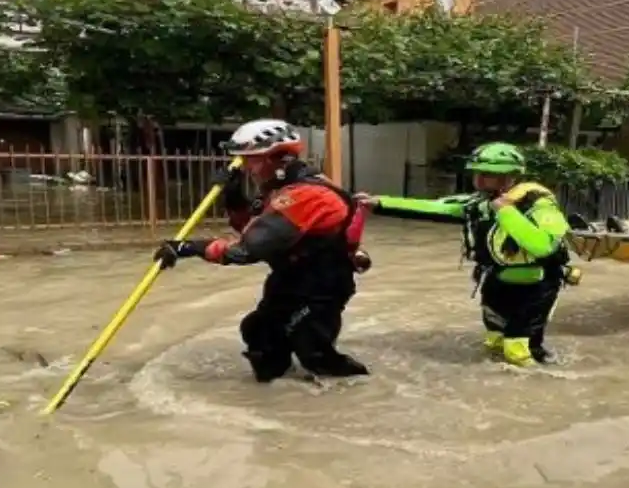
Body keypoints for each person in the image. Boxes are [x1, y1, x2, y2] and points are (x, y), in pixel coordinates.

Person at [153, 119, 370, 383]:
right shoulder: (279, 190)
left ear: (279, 158)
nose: (245, 167)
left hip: (322, 285)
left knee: (313, 351)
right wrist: (233, 195)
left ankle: (362, 391)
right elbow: (250, 227)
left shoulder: (307, 195)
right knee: (259, 332)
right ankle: (278, 395)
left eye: (251, 160)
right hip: (290, 278)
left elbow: (248, 249)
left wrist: (189, 247)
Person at [355, 142, 576, 367]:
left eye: (487, 175)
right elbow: (433, 207)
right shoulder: (478, 204)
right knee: (494, 342)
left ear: (509, 177)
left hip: (536, 286)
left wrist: (506, 211)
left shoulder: (540, 205)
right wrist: (379, 203)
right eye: (476, 174)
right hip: (496, 280)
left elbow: (542, 246)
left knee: (516, 350)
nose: (478, 180)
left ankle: (540, 376)